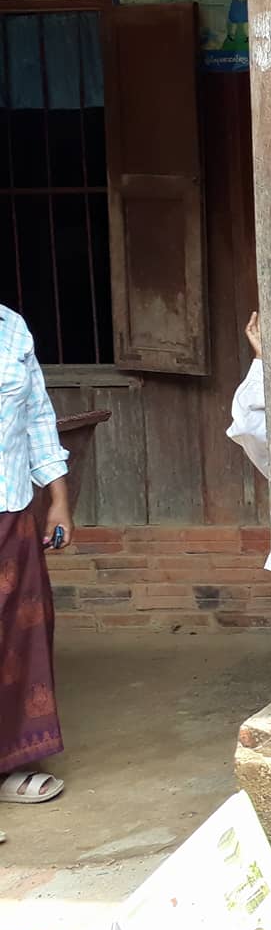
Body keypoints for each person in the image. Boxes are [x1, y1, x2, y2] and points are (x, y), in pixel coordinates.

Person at [0, 302, 72, 822]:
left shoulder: (12, 327)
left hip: (10, 508)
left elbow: (37, 419)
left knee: (19, 636)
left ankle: (11, 762)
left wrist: (58, 498)